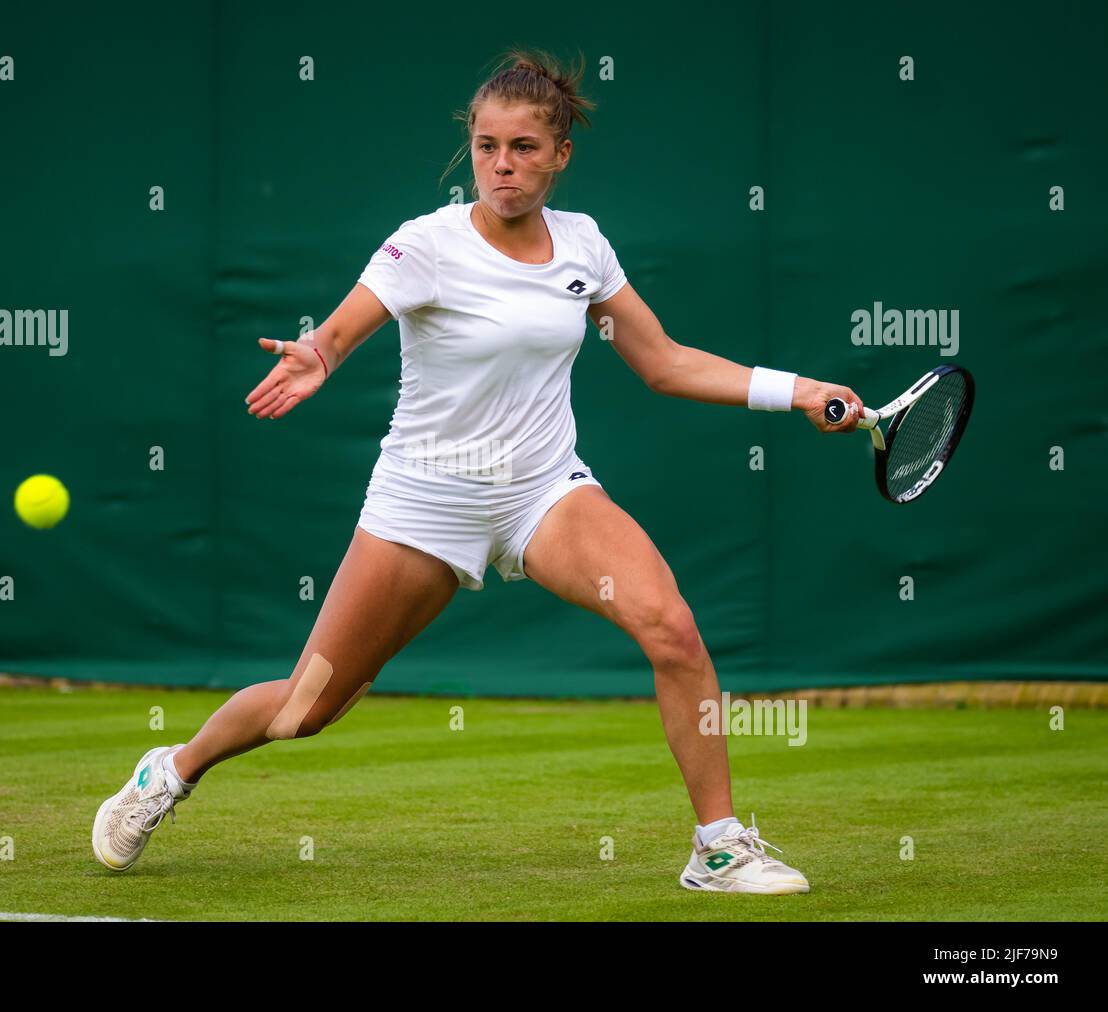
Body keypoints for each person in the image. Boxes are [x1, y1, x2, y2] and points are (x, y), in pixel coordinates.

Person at [93, 49, 865, 895]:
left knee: (672, 628)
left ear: (560, 154)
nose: (503, 165)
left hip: (544, 492)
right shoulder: (424, 244)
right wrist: (319, 355)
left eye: (525, 147)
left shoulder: (584, 245)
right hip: (424, 500)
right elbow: (343, 331)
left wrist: (798, 391)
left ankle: (717, 847)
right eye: (488, 146)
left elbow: (665, 362)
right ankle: (170, 771)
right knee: (304, 709)